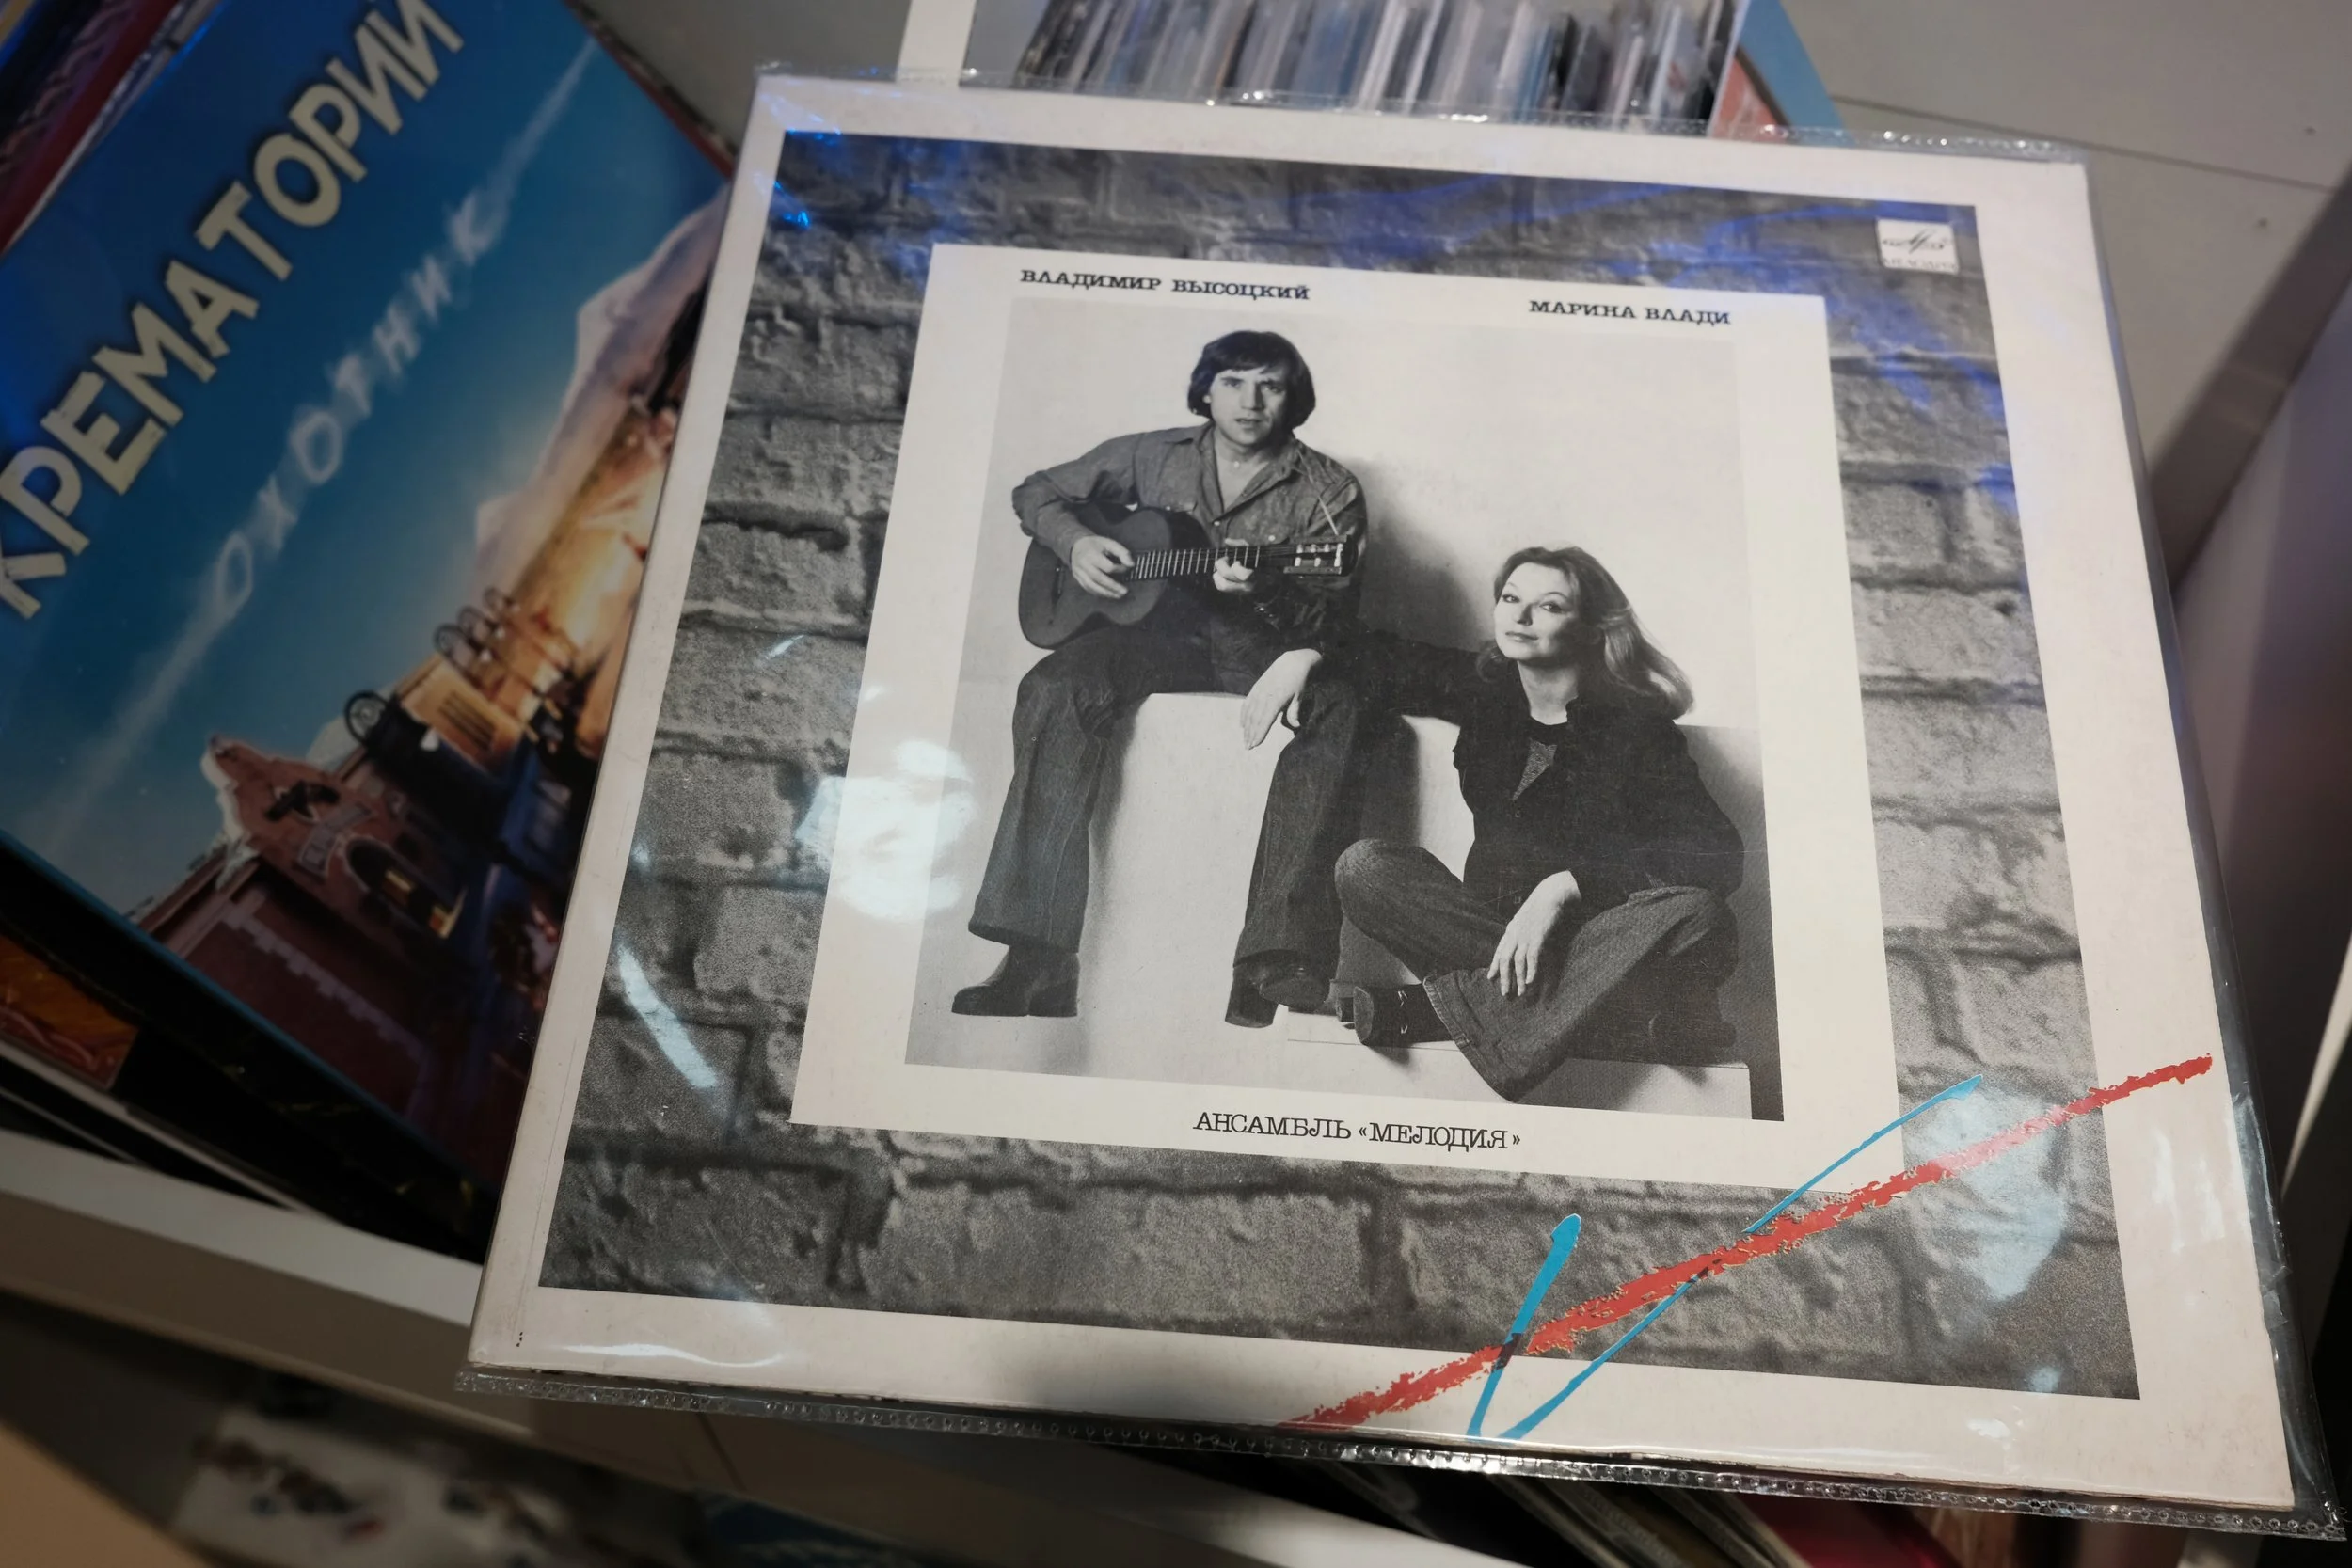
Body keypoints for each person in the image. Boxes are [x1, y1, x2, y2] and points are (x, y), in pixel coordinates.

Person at [955, 330, 1372, 1026]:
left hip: (1260, 648)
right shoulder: (1151, 454)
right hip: (1151, 641)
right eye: (1234, 382)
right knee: (1054, 686)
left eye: (1270, 384)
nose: (1250, 400)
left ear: (1293, 396)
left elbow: (1335, 615)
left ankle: (1276, 962)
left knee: (1340, 702)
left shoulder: (1329, 489)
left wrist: (1264, 591)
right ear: (1206, 389)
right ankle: (1036, 956)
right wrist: (1076, 543)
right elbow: (1037, 492)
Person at [1256, 545, 1743, 1101]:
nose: (1521, 616)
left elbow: (1719, 852)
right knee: (1363, 867)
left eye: (1550, 605)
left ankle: (1431, 1012)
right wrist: (1306, 654)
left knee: (1699, 913)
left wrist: (1568, 886)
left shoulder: (1637, 727)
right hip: (1491, 935)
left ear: (1590, 628)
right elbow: (1382, 655)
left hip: (1597, 935)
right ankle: (1587, 1016)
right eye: (1511, 599)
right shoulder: (1487, 691)